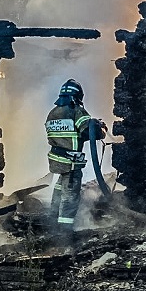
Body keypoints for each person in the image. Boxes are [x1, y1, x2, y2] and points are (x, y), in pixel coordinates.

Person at [44, 79, 103, 248]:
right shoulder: (76, 111)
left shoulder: (53, 112)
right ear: (77, 95)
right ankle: (64, 234)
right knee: (70, 197)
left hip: (57, 161)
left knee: (59, 189)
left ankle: (52, 223)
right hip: (70, 163)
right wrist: (98, 127)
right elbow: (87, 131)